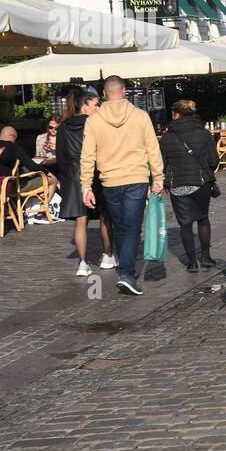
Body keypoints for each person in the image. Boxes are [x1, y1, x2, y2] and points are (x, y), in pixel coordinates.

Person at [80, 75, 165, 296]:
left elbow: (87, 156)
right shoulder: (140, 116)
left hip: (109, 180)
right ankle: (127, 273)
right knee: (132, 228)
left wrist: (86, 186)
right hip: (136, 178)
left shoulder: (94, 120)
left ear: (104, 94)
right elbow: (153, 150)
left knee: (119, 226)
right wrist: (158, 178)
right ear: (124, 91)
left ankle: (125, 269)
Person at [57, 88, 114, 276]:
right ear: (85, 106)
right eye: (96, 104)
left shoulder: (63, 127)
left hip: (74, 172)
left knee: (81, 220)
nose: (98, 108)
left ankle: (82, 263)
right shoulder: (95, 123)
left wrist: (69, 176)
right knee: (105, 216)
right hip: (95, 170)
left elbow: (60, 158)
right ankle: (108, 256)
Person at [159, 99, 220, 272]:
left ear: (176, 114)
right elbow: (214, 160)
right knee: (202, 218)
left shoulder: (168, 136)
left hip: (177, 185)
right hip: (201, 182)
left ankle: (192, 262)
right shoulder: (204, 134)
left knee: (185, 224)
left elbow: (161, 164)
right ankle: (206, 257)